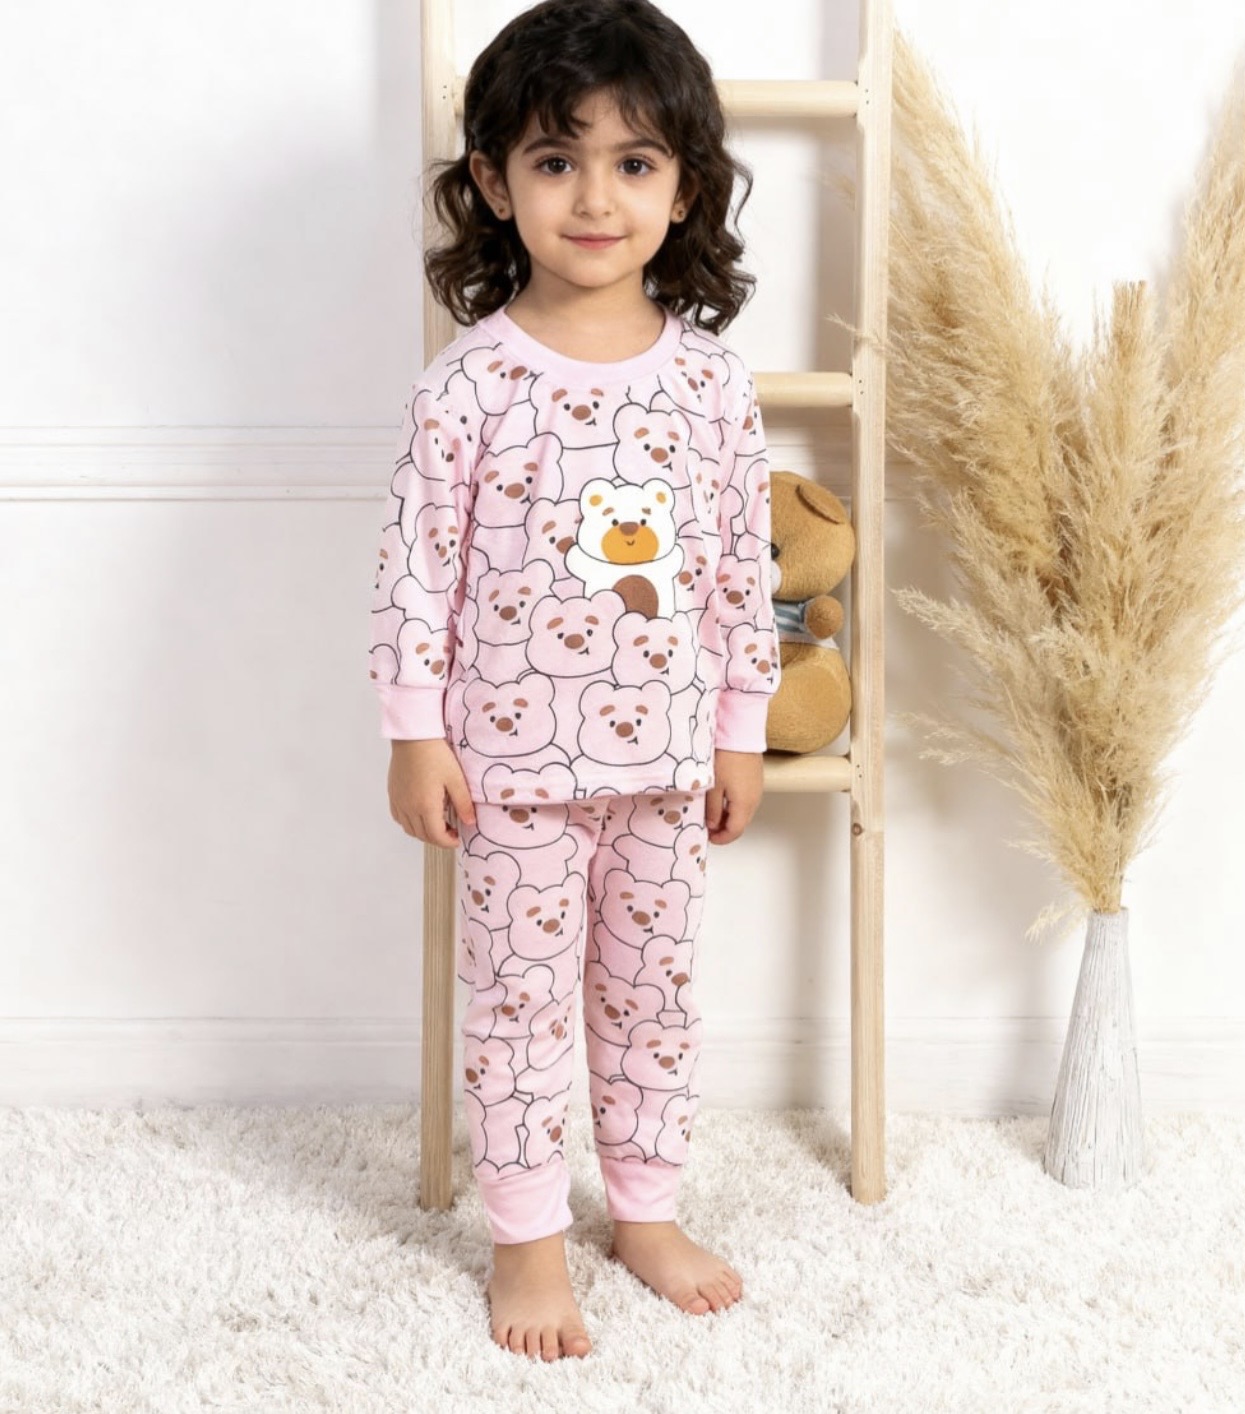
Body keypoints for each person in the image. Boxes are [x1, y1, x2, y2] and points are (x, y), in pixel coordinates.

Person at [367, 0, 780, 1363]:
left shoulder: (713, 388)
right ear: (495, 182)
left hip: (667, 769)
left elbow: (740, 566)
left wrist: (741, 731)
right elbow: (417, 569)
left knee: (654, 996)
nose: (595, 198)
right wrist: (413, 733)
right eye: (556, 160)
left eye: (633, 162)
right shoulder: (468, 386)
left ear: (686, 187)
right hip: (513, 776)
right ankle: (529, 1242)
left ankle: (646, 1213)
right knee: (520, 1008)